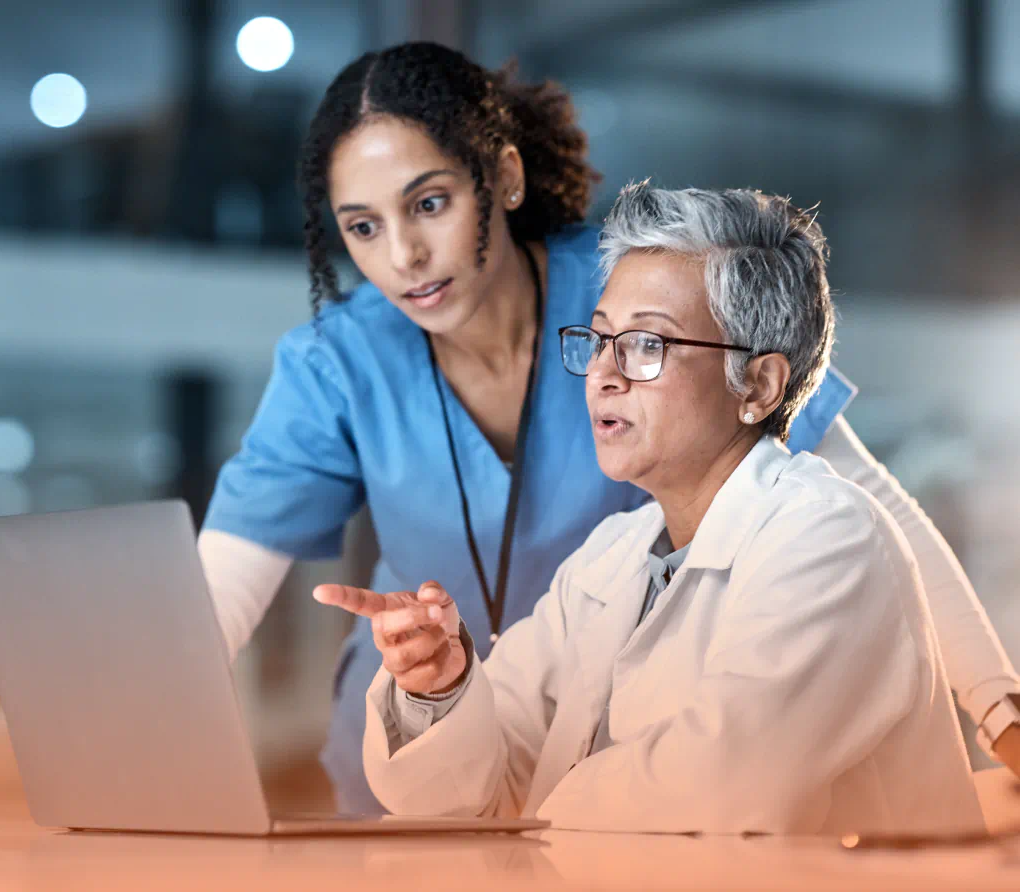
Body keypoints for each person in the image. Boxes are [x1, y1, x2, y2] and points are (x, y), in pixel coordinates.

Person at [198, 42, 1020, 813]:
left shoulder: (634, 287)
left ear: (505, 179)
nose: (404, 254)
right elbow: (215, 597)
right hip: (460, 754)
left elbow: (872, 508)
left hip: (609, 782)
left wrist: (1001, 710)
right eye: (363, 226)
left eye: (431, 203)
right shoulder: (342, 362)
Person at [314, 184, 984, 834]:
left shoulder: (828, 538)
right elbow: (478, 787)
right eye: (600, 339)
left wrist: (531, 815)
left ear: (758, 384)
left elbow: (721, 791)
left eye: (646, 345)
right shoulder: (615, 554)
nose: (604, 373)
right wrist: (441, 688)